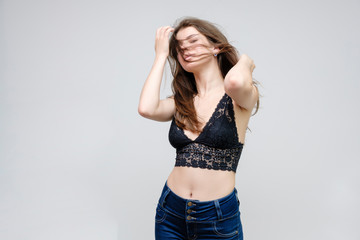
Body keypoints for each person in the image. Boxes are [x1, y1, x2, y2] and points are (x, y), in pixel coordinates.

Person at [138, 17, 260, 240]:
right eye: (180, 48)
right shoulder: (181, 102)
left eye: (193, 41)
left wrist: (246, 61)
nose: (186, 49)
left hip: (217, 218)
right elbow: (146, 108)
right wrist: (161, 55)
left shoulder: (238, 99)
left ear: (216, 47)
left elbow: (234, 82)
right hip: (171, 211)